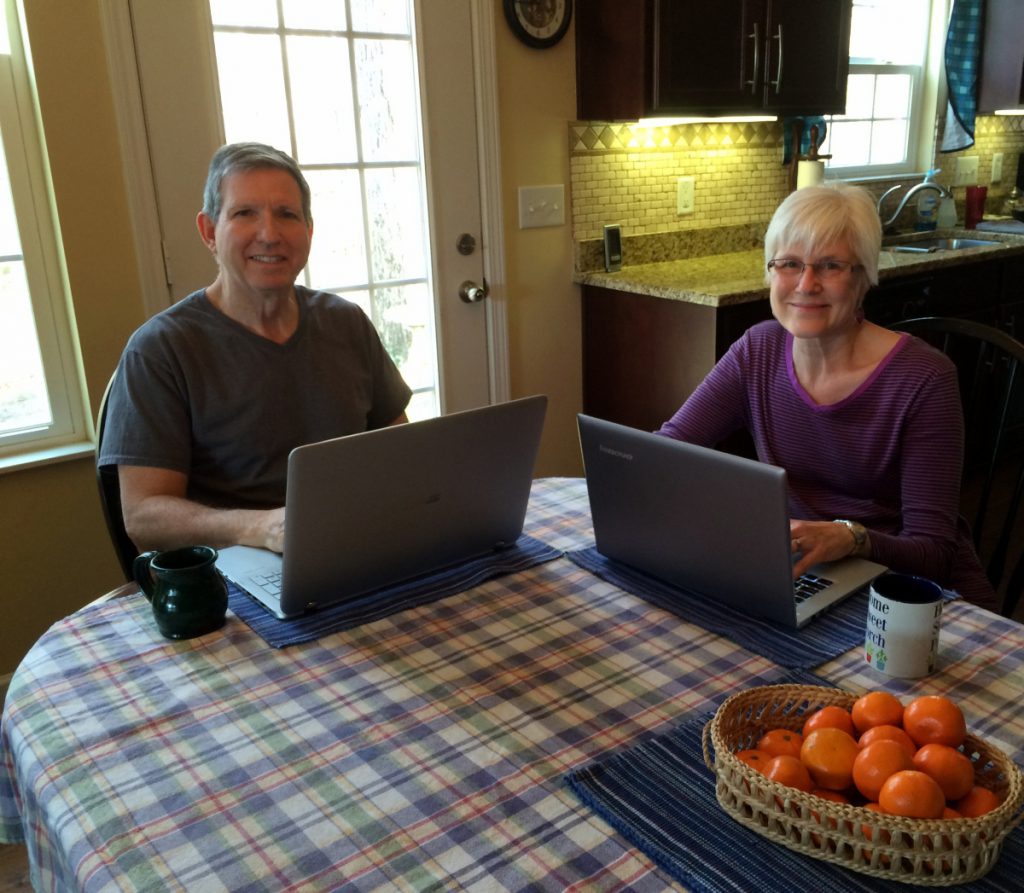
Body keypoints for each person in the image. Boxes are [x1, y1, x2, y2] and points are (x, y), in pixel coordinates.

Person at [657, 181, 997, 611]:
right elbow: (667, 451)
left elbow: (934, 551)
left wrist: (850, 537)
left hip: (911, 592)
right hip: (806, 570)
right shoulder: (756, 350)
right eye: (789, 264)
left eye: (831, 266)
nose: (806, 284)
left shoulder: (925, 379)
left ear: (864, 276)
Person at [100, 142, 412, 555]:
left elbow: (404, 452)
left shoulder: (346, 321)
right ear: (209, 231)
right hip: (236, 572)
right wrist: (261, 527)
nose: (270, 234)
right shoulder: (161, 349)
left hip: (353, 545)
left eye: (287, 214)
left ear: (309, 231)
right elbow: (143, 517)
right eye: (245, 213)